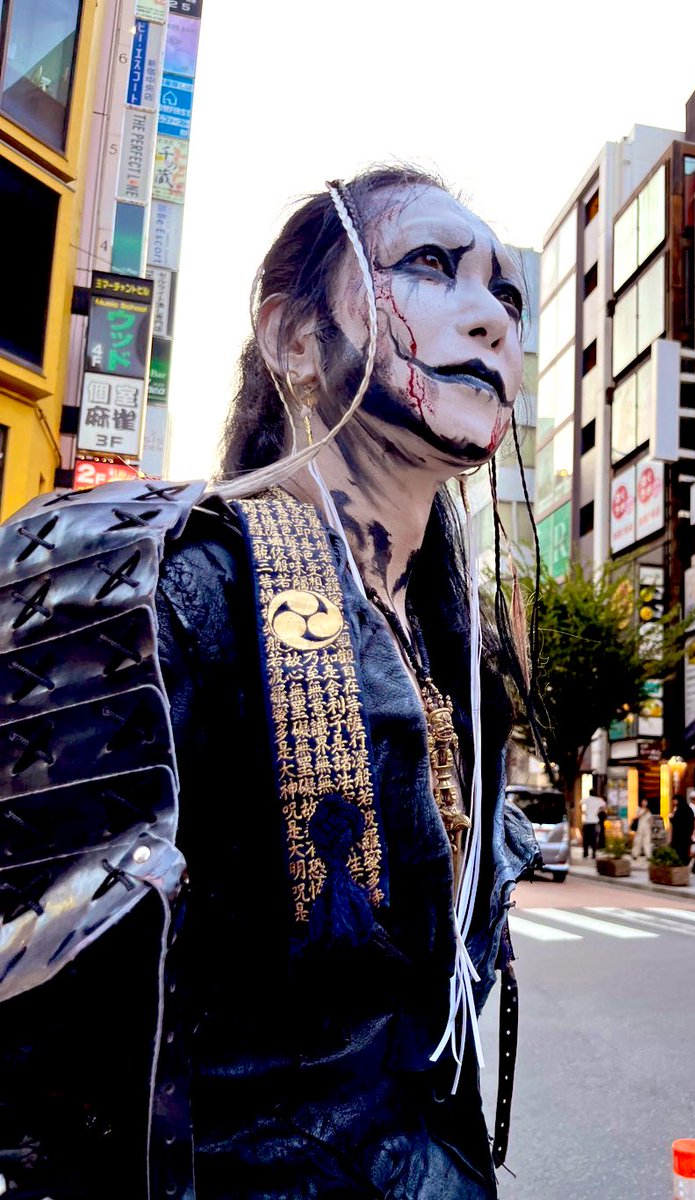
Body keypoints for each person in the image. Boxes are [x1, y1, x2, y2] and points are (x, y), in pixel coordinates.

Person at [0, 168, 544, 1198]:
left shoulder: (456, 642)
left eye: (507, 293)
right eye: (432, 265)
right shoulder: (162, 588)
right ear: (295, 339)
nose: (491, 317)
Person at [669, 793, 695, 866]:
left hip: (679, 835)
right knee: (683, 850)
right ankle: (684, 861)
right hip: (686, 834)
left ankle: (681, 862)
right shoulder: (688, 809)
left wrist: (671, 818)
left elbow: (676, 822)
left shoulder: (680, 810)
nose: (673, 802)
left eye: (674, 800)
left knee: (679, 850)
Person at [581, 787, 606, 858]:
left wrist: (584, 812)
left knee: (586, 838)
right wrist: (599, 811)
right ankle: (594, 853)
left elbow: (580, 803)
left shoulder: (587, 799)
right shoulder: (598, 800)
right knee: (594, 838)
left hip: (587, 822)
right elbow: (604, 805)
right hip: (595, 822)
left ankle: (585, 852)